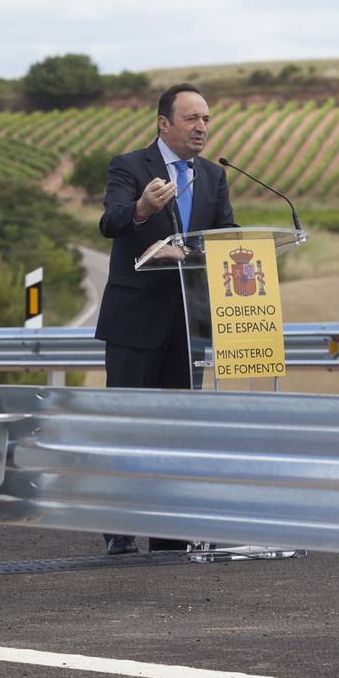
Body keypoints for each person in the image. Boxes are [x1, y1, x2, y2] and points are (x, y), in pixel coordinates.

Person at [95, 82, 235, 555]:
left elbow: (226, 232)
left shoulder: (214, 176)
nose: (202, 128)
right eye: (192, 118)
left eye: (206, 120)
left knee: (178, 428)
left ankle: (171, 531)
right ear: (164, 123)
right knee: (128, 425)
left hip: (189, 322)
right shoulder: (131, 166)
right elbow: (111, 222)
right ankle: (119, 526)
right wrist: (142, 207)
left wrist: (237, 244)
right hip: (136, 319)